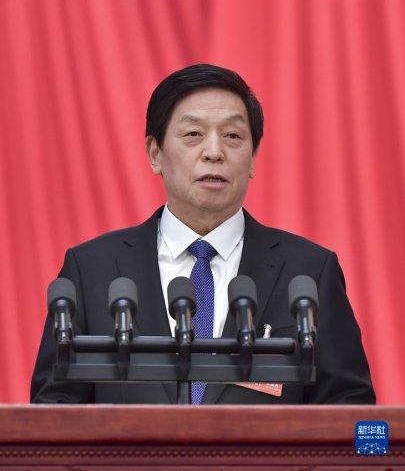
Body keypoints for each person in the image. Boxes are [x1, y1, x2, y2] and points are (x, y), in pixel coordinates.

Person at [31, 64, 375, 404]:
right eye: (193, 134)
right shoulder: (91, 269)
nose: (214, 152)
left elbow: (352, 409)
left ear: (253, 157)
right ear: (155, 154)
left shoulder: (309, 271)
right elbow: (52, 412)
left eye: (233, 136)